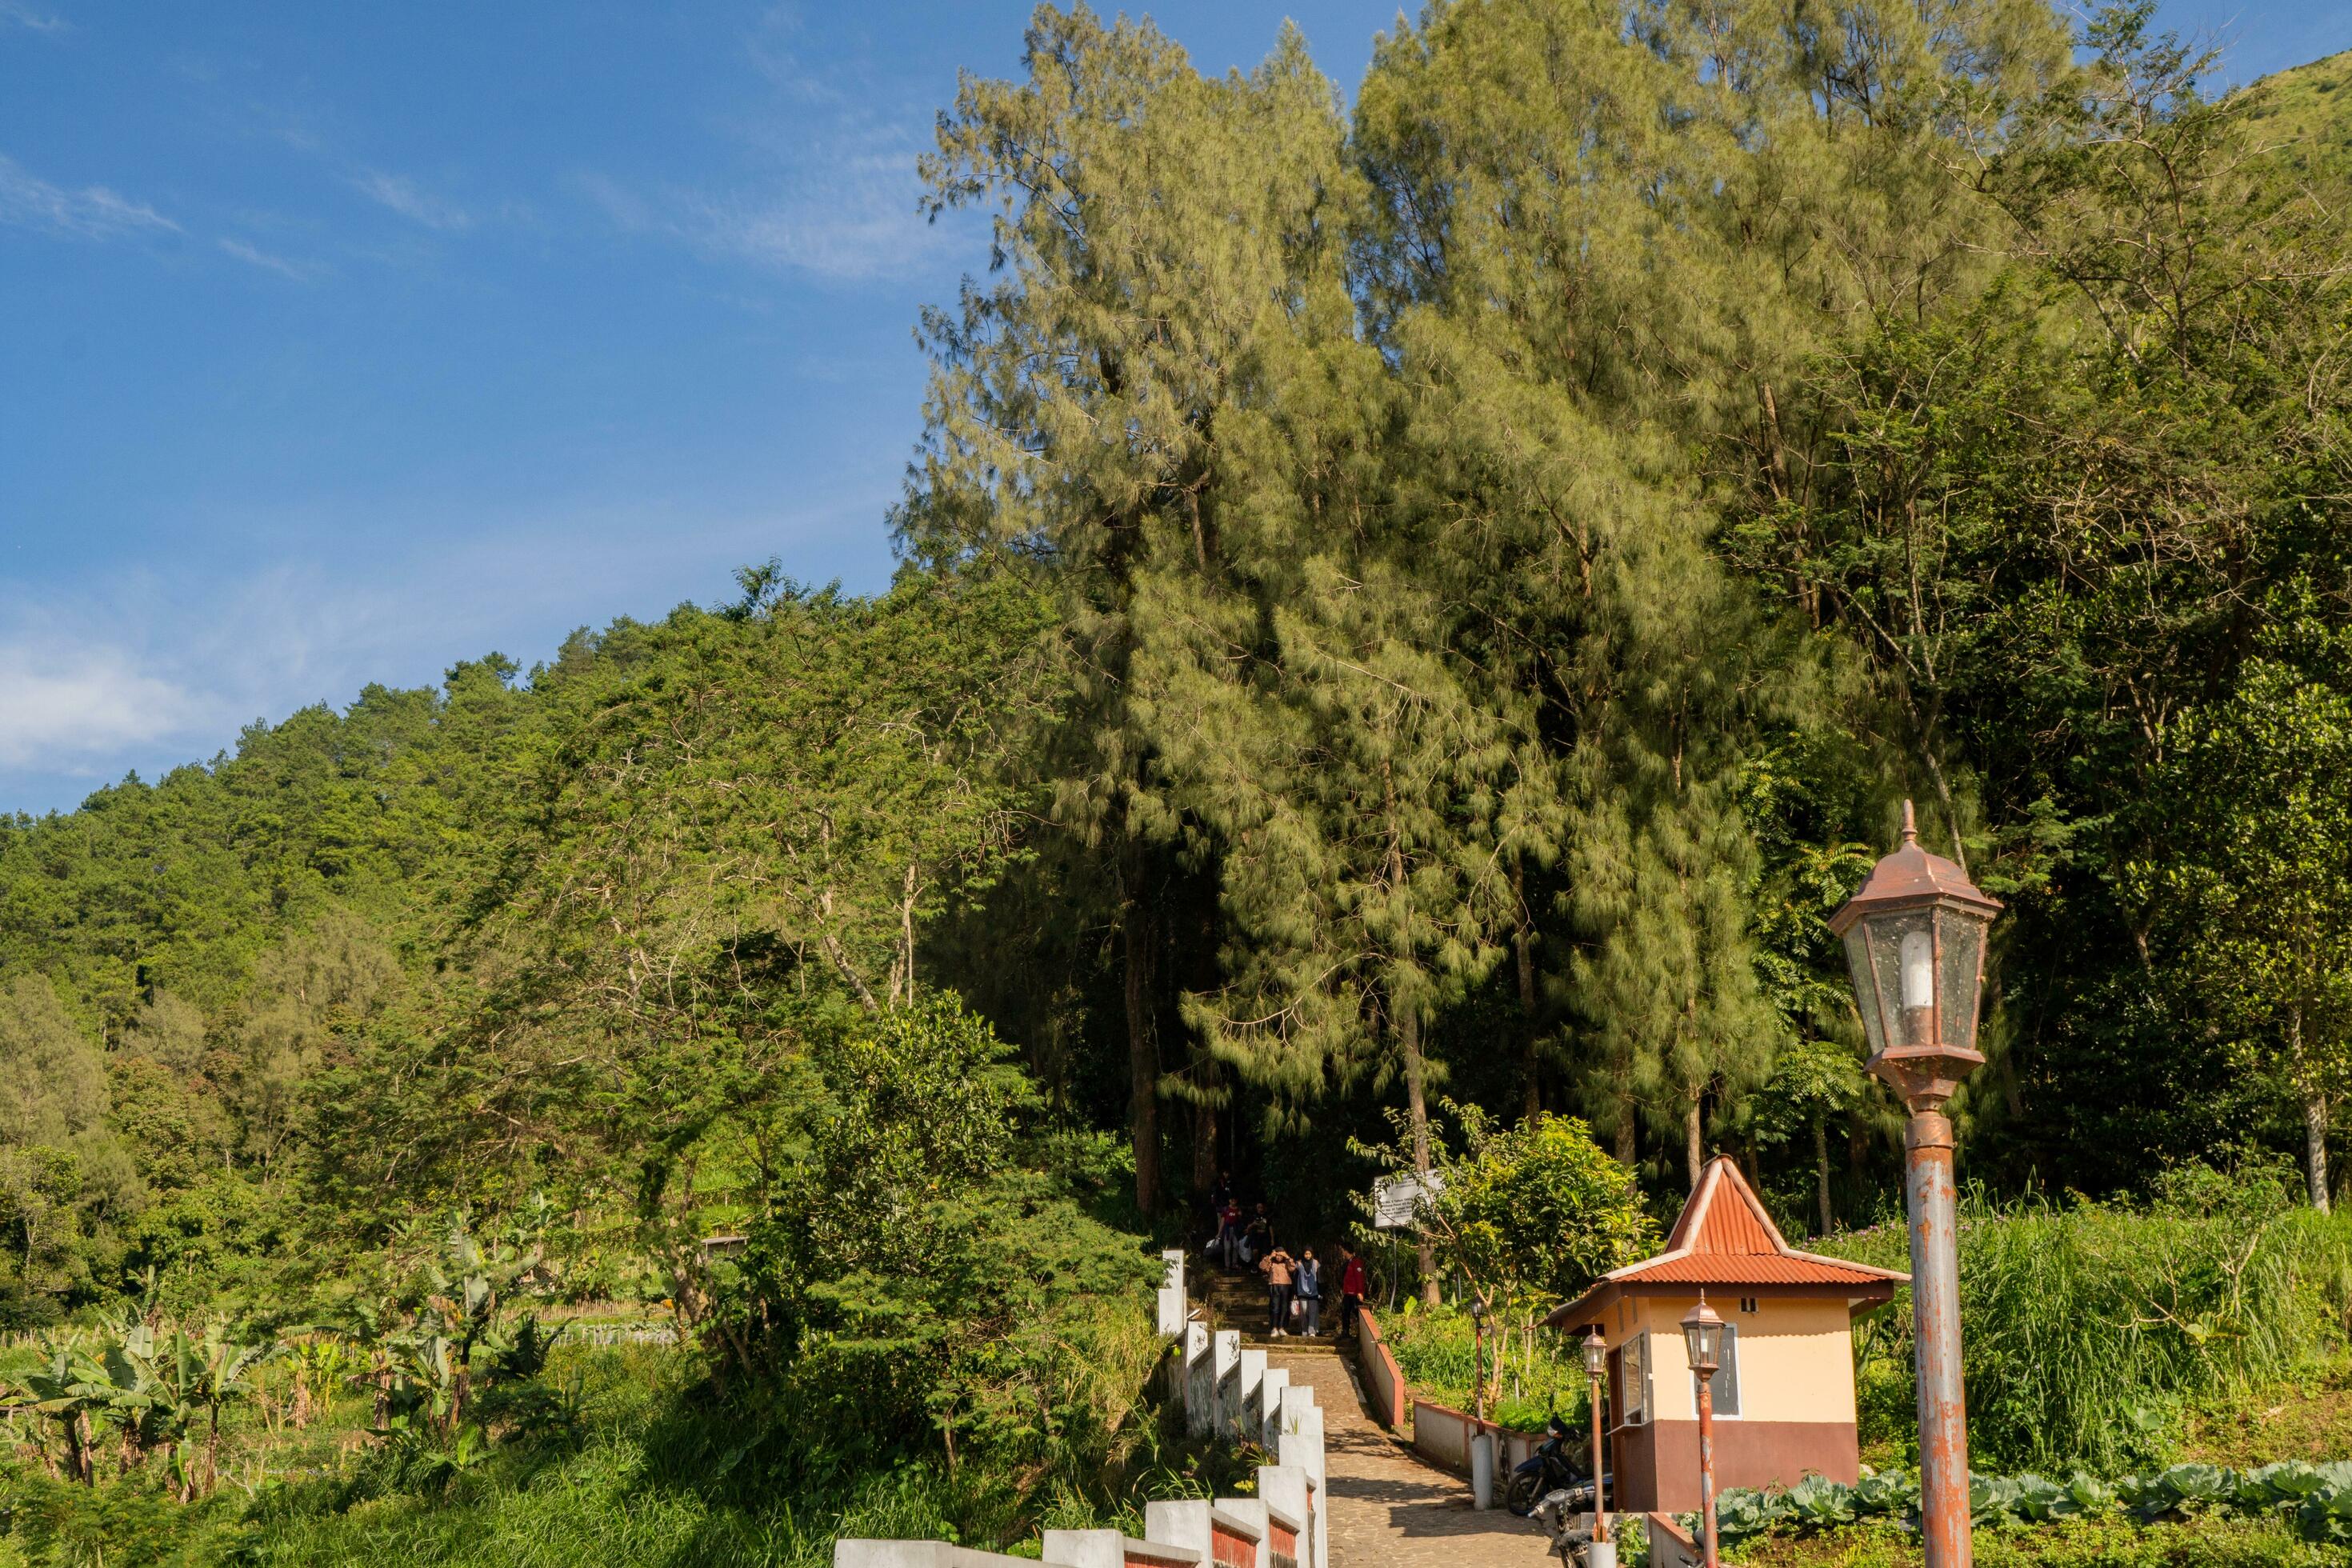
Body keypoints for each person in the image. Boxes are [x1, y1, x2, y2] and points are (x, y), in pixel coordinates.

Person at [1260, 1242, 1295, 1338]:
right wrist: (1270, 1256)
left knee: (1284, 1307)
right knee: (1275, 1307)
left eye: (1281, 1255)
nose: (1279, 1257)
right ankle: (1274, 1327)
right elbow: (1262, 1266)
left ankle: (1282, 1327)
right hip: (1274, 1286)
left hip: (1286, 1286)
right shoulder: (1272, 1262)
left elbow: (1293, 1268)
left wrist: (1287, 1257)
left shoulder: (1286, 1262)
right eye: (1277, 1255)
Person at [1338, 1242, 1367, 1335]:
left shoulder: (1356, 1262)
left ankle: (1361, 1333)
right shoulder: (1348, 1262)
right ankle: (1345, 1332)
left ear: (1347, 1252)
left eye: (1344, 1251)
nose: (1343, 1253)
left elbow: (1359, 1278)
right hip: (1348, 1292)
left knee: (1357, 1313)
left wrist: (1360, 1292)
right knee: (1345, 1311)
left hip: (1355, 1293)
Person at [1294, 1248, 1322, 1338]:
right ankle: (1304, 1330)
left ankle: (1312, 1331)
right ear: (1303, 1254)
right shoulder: (1298, 1264)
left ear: (1312, 1254)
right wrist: (1295, 1291)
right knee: (1304, 1310)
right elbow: (1295, 1278)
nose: (1307, 1256)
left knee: (1313, 1311)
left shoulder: (1316, 1263)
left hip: (1314, 1292)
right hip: (1302, 1291)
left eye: (1309, 1254)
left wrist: (1321, 1292)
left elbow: (1320, 1278)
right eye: (1306, 1254)